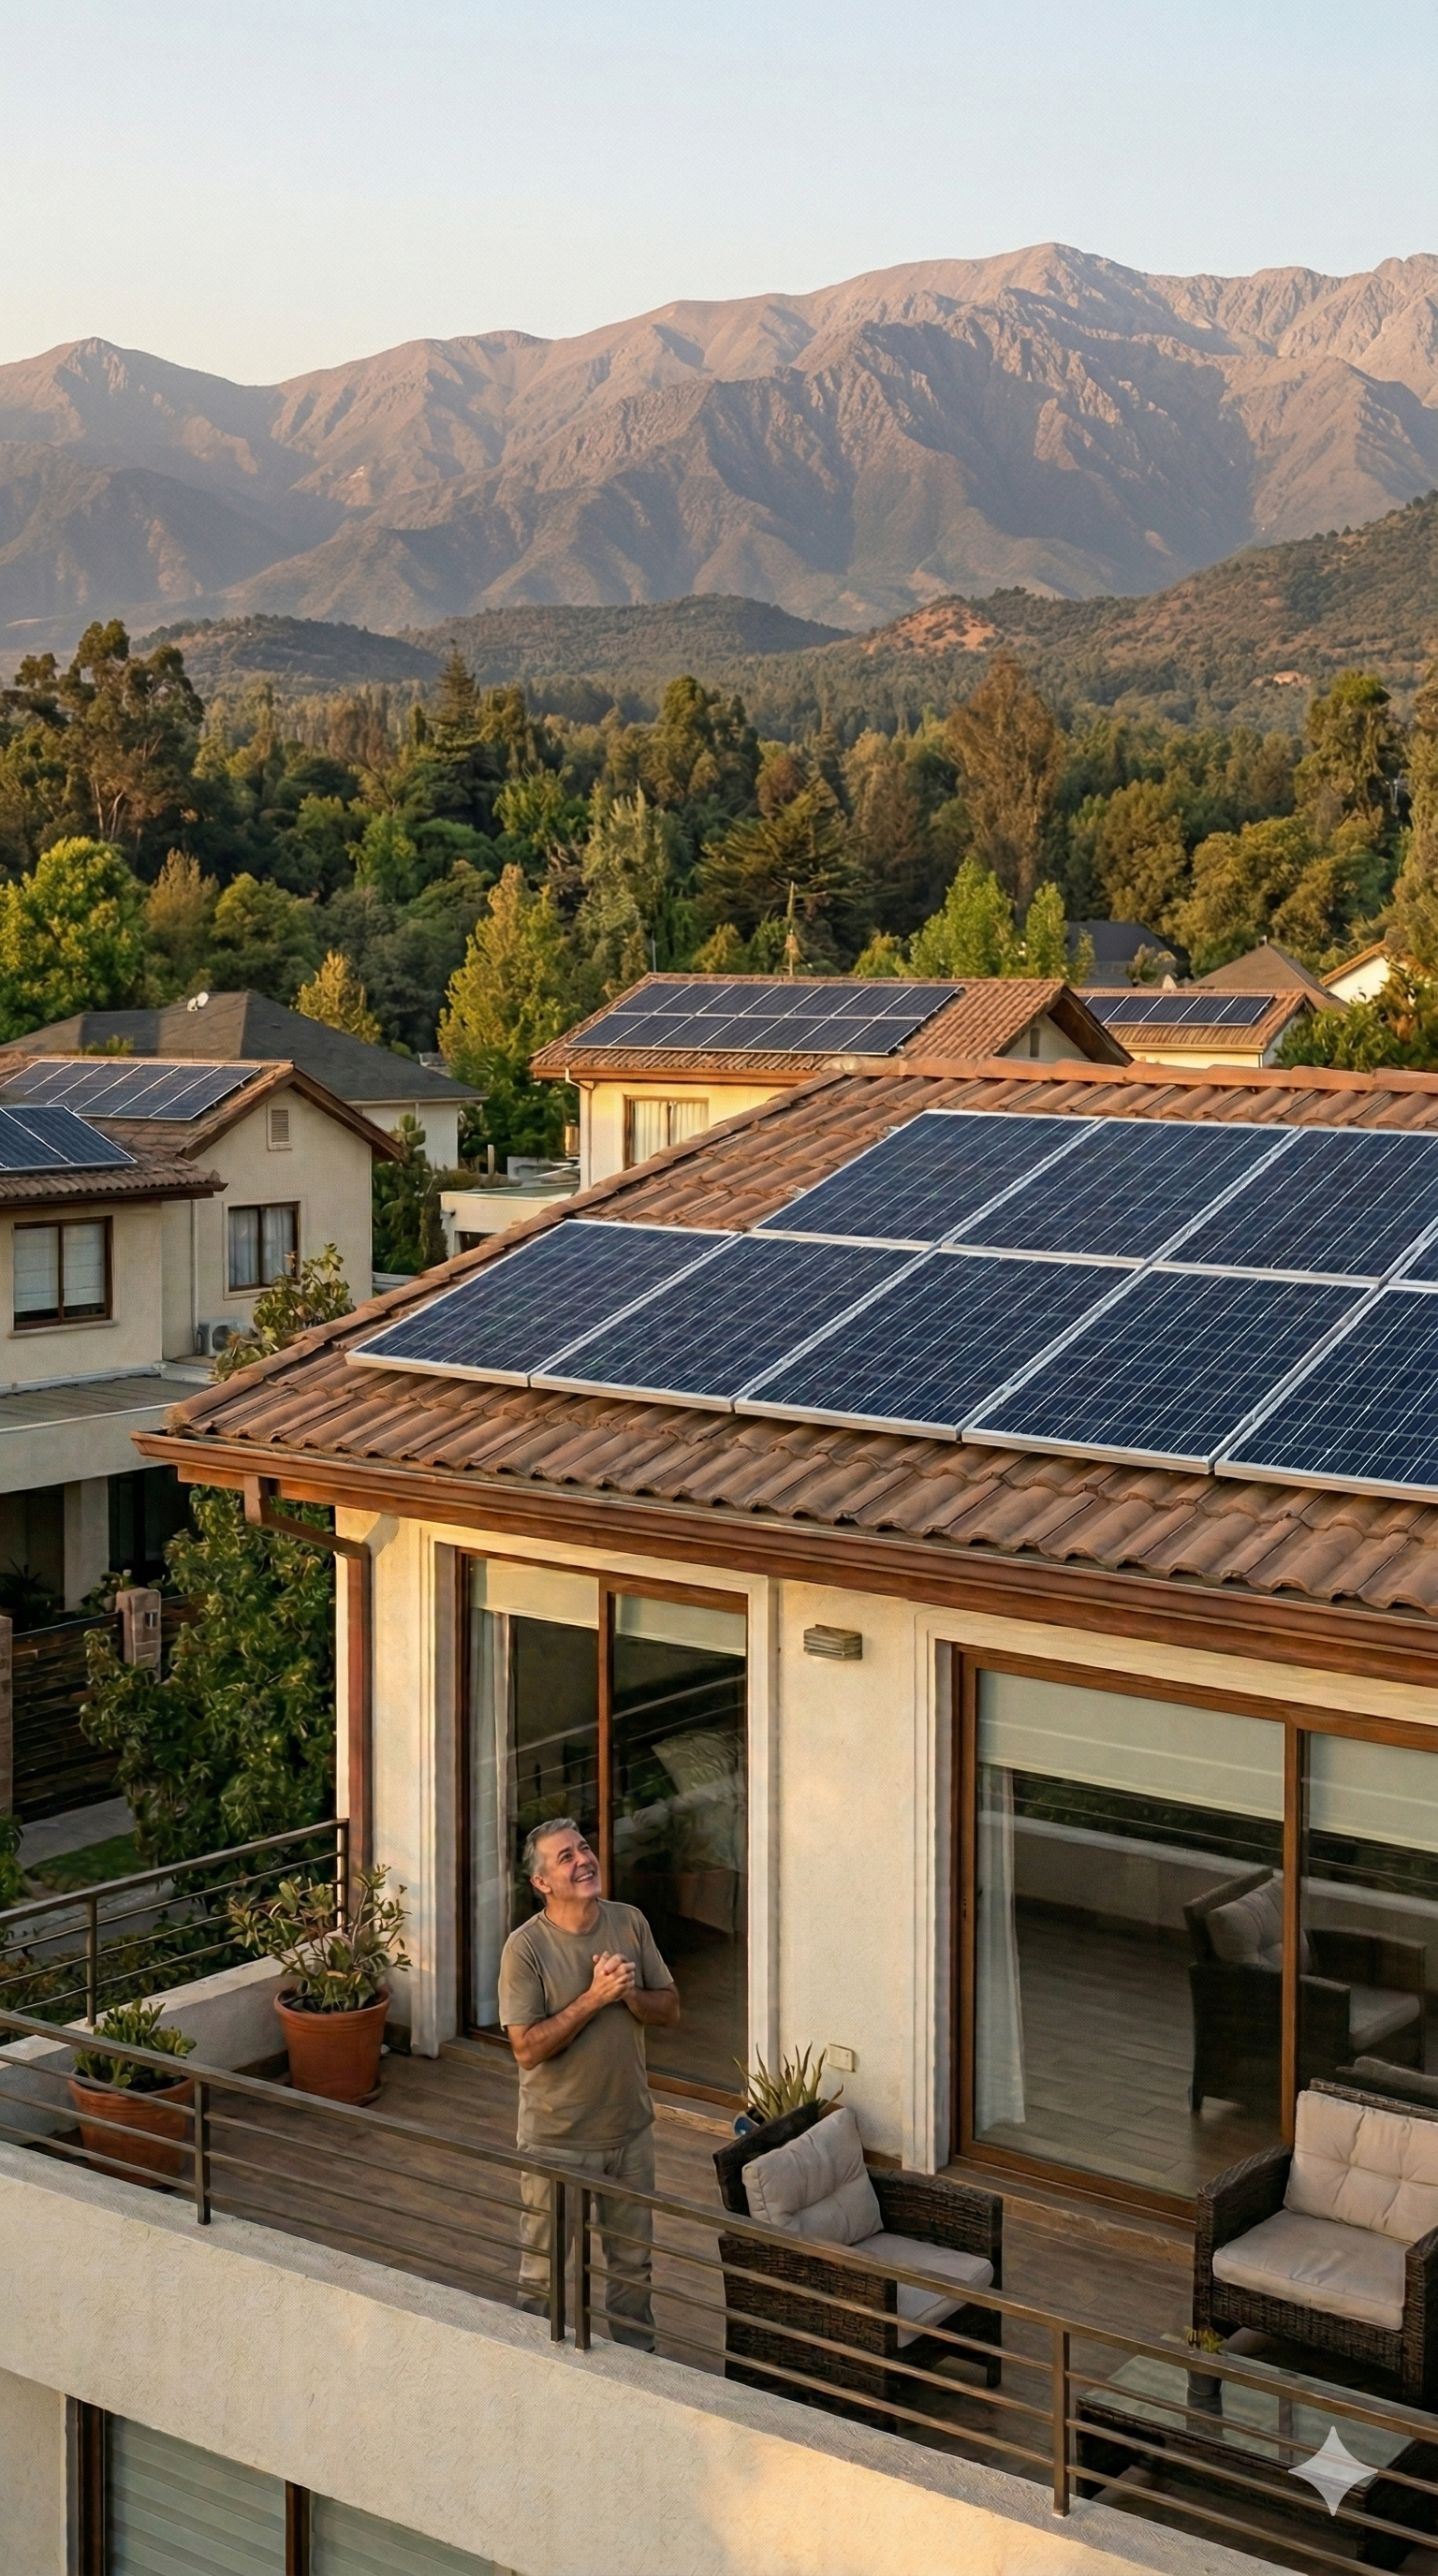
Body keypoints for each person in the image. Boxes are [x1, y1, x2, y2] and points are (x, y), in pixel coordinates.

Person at [499, 1816, 680, 2349]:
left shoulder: (629, 1923)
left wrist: (628, 1996)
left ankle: (638, 2380)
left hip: (630, 2135)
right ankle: (536, 2381)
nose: (583, 1861)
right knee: (545, 2279)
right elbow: (526, 2048)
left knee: (633, 2276)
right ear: (542, 1884)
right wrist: (594, 1998)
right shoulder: (525, 1950)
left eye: (583, 1849)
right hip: (558, 2142)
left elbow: (668, 2008)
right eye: (566, 1858)